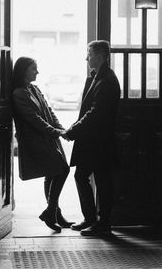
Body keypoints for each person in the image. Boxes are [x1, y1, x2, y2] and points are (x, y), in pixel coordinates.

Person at [63, 40, 121, 236]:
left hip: (100, 142)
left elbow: (94, 113)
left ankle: (103, 223)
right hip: (93, 141)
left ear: (101, 55)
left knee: (102, 181)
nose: (86, 58)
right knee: (83, 176)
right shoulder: (99, 77)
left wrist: (72, 131)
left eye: (89, 54)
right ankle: (91, 219)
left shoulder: (107, 81)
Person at [11, 57, 74, 233]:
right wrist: (57, 133)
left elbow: (49, 112)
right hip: (35, 140)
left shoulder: (34, 89)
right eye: (33, 69)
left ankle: (54, 213)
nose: (37, 72)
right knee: (62, 170)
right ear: (24, 71)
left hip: (48, 137)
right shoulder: (18, 93)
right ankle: (51, 212)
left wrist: (61, 129)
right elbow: (34, 119)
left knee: (53, 172)